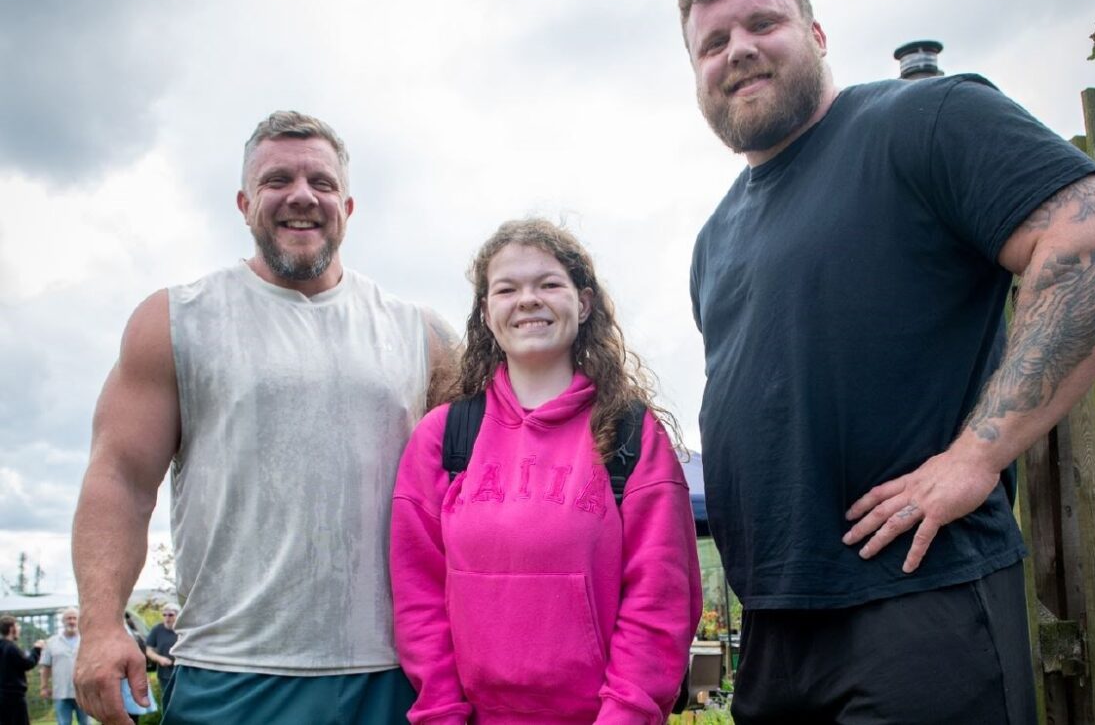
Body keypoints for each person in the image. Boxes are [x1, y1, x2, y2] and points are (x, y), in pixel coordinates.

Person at [678, 0, 1095, 725]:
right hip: (774, 629)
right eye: (713, 43)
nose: (739, 51)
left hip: (918, 603)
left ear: (818, 34)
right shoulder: (714, 237)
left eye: (763, 23)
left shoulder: (923, 119)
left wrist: (977, 456)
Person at [72, 111, 458, 725]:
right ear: (244, 201)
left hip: (392, 675)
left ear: (348, 207)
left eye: (322, 183)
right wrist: (98, 625)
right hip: (230, 675)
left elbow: (489, 478)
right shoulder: (177, 319)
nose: (301, 195)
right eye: (278, 179)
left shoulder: (422, 335)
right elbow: (120, 477)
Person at [391, 218, 702, 723]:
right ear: (487, 312)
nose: (528, 299)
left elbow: (659, 601)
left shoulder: (630, 435)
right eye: (507, 288)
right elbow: (417, 600)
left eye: (548, 283)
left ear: (583, 303)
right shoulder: (442, 438)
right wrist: (442, 714)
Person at [39, 608, 88, 725]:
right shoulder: (52, 642)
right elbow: (45, 667)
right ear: (62, 621)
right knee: (63, 723)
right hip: (61, 692)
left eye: (74, 618)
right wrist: (44, 687)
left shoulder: (87, 641)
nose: (71, 621)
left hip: (83, 693)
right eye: (68, 618)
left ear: (79, 621)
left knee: (85, 723)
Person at [0, 616, 44, 725]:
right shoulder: (11, 648)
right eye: (17, 626)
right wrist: (37, 650)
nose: (19, 629)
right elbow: (27, 663)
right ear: (11, 629)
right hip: (14, 697)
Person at [143, 604, 178, 713]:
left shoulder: (183, 629)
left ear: (177, 615)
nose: (167, 617)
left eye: (170, 615)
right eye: (164, 615)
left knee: (182, 702)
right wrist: (159, 659)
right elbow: (149, 650)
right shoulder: (157, 629)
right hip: (165, 674)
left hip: (182, 672)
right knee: (167, 703)